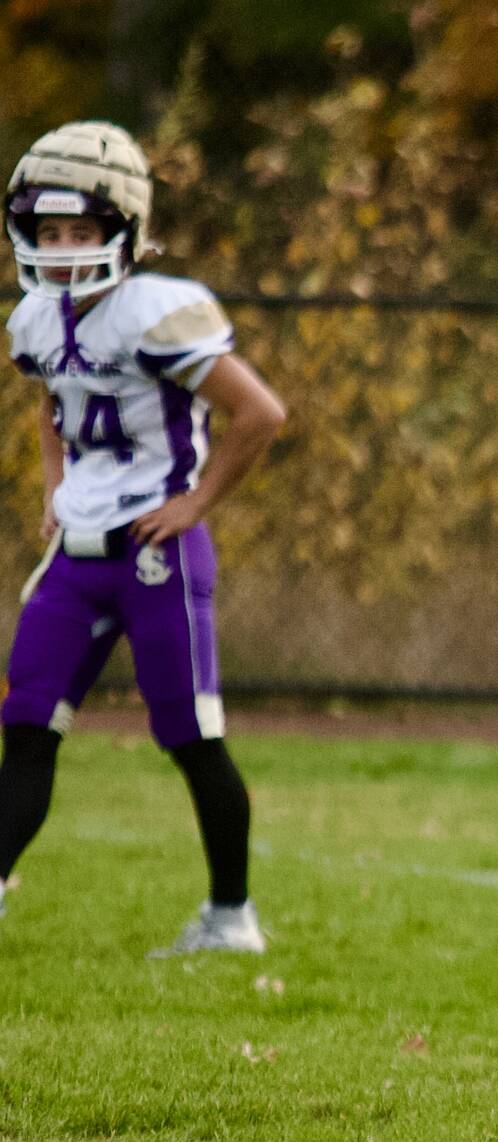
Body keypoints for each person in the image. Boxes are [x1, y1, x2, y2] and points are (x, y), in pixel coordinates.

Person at [2, 121, 286, 955]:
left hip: (155, 553)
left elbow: (260, 413)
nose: (60, 249)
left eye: (80, 232)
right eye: (47, 232)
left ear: (121, 230)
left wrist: (197, 502)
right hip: (77, 555)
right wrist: (57, 484)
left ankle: (231, 917)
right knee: (27, 724)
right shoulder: (36, 320)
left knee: (192, 738)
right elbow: (54, 406)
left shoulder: (156, 310)